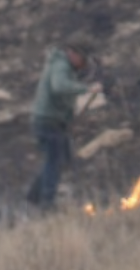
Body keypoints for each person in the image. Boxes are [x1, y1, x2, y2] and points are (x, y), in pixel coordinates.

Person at [25, 44, 102, 209]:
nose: (83, 64)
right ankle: (47, 202)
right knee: (54, 160)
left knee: (61, 159)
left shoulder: (65, 69)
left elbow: (64, 97)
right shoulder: (60, 66)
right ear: (72, 53)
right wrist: (86, 89)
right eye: (82, 58)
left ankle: (34, 196)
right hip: (47, 122)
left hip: (54, 122)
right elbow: (59, 87)